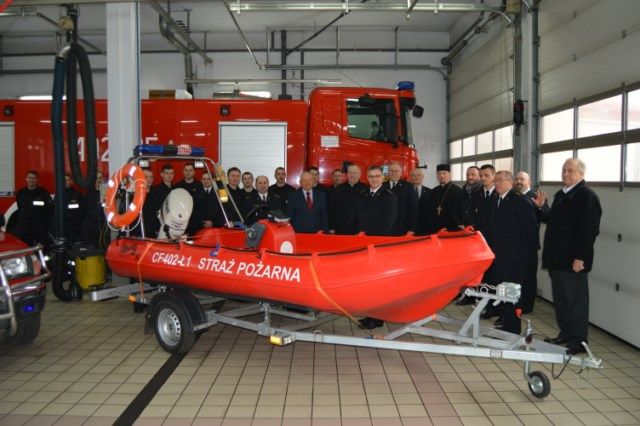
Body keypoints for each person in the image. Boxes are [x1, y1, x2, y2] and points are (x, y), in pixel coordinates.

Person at [535, 158, 602, 355]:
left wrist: (581, 258)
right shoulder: (562, 194)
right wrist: (541, 207)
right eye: (564, 170)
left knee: (575, 303)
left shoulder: (586, 196)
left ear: (581, 173)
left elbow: (589, 231)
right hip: (558, 259)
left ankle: (579, 341)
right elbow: (552, 220)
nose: (565, 174)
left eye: (570, 171)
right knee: (562, 301)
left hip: (573, 260)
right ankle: (566, 334)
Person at [488, 171, 539, 335]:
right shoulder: (499, 200)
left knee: (512, 292)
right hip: (502, 255)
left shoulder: (519, 201)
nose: (496, 183)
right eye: (495, 180)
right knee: (503, 290)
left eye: (500, 180)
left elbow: (532, 229)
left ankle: (512, 328)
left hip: (515, 257)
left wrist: (526, 254)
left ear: (510, 182)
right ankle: (506, 323)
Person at [355, 165, 397, 329]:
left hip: (379, 244)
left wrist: (368, 234)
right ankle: (369, 314)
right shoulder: (363, 194)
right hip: (364, 243)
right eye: (371, 176)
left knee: (378, 283)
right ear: (367, 178)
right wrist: (359, 232)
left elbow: (388, 223)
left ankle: (377, 318)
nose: (374, 179)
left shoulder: (389, 196)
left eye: (377, 176)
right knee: (367, 282)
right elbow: (358, 217)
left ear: (382, 177)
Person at [457, 164, 497, 307]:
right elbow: (471, 215)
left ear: (493, 176)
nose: (483, 178)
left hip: (493, 240)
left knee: (492, 273)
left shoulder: (498, 194)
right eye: (482, 176)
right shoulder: (476, 194)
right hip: (477, 239)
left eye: (486, 175)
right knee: (476, 270)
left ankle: (491, 304)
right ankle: (474, 298)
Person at [514, 171, 549, 313]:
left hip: (529, 246)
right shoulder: (513, 196)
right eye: (516, 179)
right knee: (516, 276)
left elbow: (547, 217)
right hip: (513, 245)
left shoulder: (536, 196)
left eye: (522, 179)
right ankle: (515, 303)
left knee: (528, 277)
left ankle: (527, 306)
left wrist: (540, 206)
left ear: (529, 182)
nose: (519, 181)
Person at [14, 170, 53, 248]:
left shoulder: (43, 193)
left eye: (34, 178)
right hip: (25, 224)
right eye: (30, 178)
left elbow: (49, 208)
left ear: (37, 180)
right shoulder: (21, 193)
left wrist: (44, 222)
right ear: (26, 179)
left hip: (39, 225)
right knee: (25, 245)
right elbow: (20, 208)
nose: (31, 180)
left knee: (41, 246)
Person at [423, 164, 464, 234]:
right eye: (439, 173)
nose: (441, 176)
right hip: (435, 229)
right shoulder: (433, 191)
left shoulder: (458, 191)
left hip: (452, 228)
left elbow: (460, 211)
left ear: (449, 174)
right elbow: (429, 211)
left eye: (444, 173)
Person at [328, 164, 368, 235]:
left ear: (360, 175)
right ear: (346, 174)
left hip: (359, 230)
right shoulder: (338, 189)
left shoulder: (366, 190)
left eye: (354, 173)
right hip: (341, 229)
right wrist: (332, 227)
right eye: (350, 172)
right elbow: (333, 209)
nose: (352, 175)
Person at [383, 162, 418, 236]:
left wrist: (411, 229)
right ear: (388, 172)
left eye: (396, 171)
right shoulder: (382, 186)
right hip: (384, 227)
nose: (394, 173)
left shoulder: (408, 186)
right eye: (391, 171)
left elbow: (413, 209)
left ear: (401, 173)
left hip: (402, 228)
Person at [81, 170, 108, 247]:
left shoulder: (108, 193)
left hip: (105, 225)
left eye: (100, 178)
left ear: (103, 179)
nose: (99, 180)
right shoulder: (88, 193)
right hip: (91, 226)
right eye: (96, 178)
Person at [147, 164, 175, 237]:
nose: (169, 175)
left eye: (171, 173)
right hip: (160, 226)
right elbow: (153, 211)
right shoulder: (155, 190)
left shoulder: (176, 189)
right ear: (162, 174)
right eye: (167, 173)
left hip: (174, 225)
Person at [62, 173, 86, 244]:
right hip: (62, 228)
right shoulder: (58, 194)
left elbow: (82, 211)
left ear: (71, 181)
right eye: (63, 180)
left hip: (74, 228)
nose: (65, 182)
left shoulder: (78, 194)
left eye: (67, 180)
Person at [411, 168, 431, 236]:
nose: (416, 177)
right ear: (411, 177)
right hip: (409, 229)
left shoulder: (430, 192)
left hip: (425, 228)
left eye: (419, 175)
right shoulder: (406, 191)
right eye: (414, 175)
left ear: (422, 177)